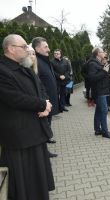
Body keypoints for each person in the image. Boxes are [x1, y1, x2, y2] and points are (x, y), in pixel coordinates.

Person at [0, 34, 55, 200]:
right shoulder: (3, 71)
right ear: (10, 48)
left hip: (35, 134)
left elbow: (41, 89)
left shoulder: (24, 68)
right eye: (23, 47)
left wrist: (47, 105)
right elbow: (14, 97)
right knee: (23, 186)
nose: (27, 50)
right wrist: (41, 104)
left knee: (38, 182)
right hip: (19, 138)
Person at [32, 37, 59, 156]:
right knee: (43, 125)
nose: (49, 49)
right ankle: (44, 152)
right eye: (45, 47)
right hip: (44, 101)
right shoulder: (36, 61)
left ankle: (47, 139)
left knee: (48, 122)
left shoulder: (45, 61)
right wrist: (43, 101)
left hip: (50, 100)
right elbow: (36, 84)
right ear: (37, 49)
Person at [86, 47, 110, 139]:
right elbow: (92, 78)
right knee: (104, 111)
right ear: (98, 53)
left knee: (99, 111)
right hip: (99, 91)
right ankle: (105, 132)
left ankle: (97, 130)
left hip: (102, 90)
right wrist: (104, 72)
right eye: (103, 52)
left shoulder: (98, 63)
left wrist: (109, 76)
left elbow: (100, 76)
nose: (104, 53)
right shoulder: (92, 64)